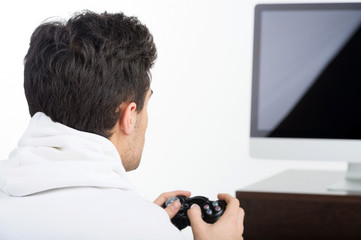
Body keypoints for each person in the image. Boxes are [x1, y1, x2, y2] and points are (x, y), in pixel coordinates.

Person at [0, 11, 244, 240]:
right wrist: (142, 224)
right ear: (129, 115)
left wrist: (137, 219)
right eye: (146, 104)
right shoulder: (147, 231)